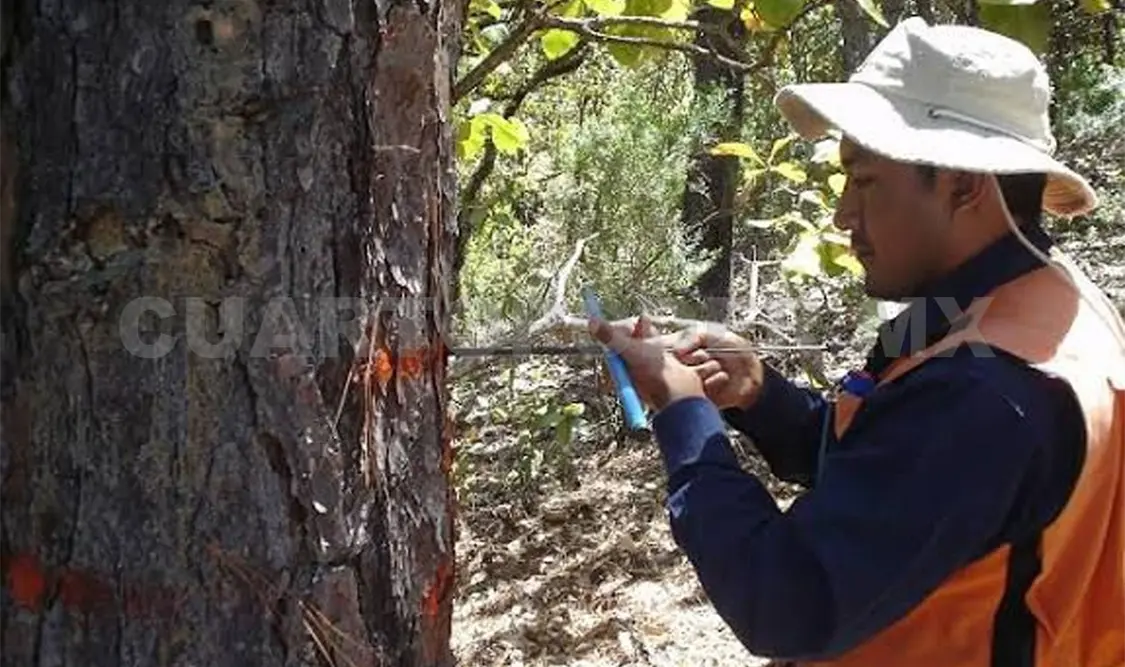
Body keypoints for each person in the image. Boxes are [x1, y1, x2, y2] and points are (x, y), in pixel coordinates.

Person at [589, 17, 1125, 667]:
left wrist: (683, 416)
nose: (843, 213)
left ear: (962, 184)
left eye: (864, 180)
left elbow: (787, 605)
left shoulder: (986, 391)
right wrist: (759, 396)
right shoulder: (1030, 304)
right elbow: (887, 466)